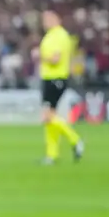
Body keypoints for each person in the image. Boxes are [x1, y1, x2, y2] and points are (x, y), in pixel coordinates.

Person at [38, 10, 84, 165]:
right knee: (49, 118)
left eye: (47, 19)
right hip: (51, 78)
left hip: (55, 78)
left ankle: (75, 140)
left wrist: (39, 56)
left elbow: (55, 59)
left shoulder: (58, 35)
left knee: (47, 116)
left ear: (56, 19)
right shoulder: (54, 35)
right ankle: (52, 154)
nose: (44, 22)